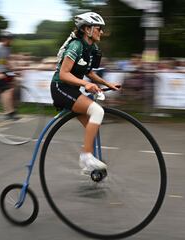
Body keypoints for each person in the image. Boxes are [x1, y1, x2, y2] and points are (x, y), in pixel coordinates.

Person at [51, 12, 119, 173]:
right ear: (87, 29)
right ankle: (86, 157)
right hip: (60, 88)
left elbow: (89, 72)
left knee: (92, 126)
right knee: (97, 111)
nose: (101, 32)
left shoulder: (92, 48)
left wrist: (107, 83)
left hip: (72, 89)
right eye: (98, 28)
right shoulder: (76, 45)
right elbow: (63, 74)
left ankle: (88, 166)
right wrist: (85, 85)